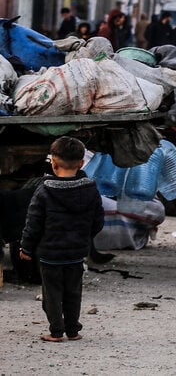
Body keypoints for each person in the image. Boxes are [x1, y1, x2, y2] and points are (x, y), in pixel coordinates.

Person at [19, 137, 105, 342]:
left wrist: (26, 248)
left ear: (53, 163)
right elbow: (98, 220)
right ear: (82, 163)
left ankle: (56, 331)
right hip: (76, 253)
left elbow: (33, 224)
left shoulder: (44, 190)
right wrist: (83, 238)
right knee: (73, 292)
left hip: (50, 255)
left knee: (52, 294)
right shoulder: (90, 188)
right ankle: (73, 330)